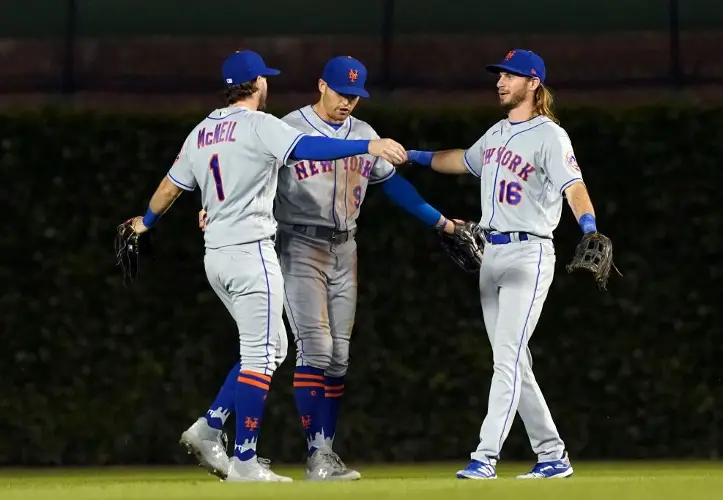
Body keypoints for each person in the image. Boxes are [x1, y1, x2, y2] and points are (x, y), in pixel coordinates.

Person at [125, 49, 406, 482]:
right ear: (257, 84)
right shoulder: (260, 125)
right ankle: (244, 460)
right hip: (252, 250)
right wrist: (368, 144)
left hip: (215, 257)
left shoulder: (202, 131)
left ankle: (209, 426)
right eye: (265, 79)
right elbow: (310, 146)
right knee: (261, 355)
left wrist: (144, 223)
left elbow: (170, 186)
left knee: (273, 348)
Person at [184, 56, 459, 481]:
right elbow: (240, 174)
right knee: (313, 348)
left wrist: (440, 221)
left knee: (338, 356)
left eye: (356, 95)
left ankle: (317, 453)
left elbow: (394, 185)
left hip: (345, 246)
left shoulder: (365, 134)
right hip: (298, 243)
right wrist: (216, 211)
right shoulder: (286, 126)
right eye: (341, 92)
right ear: (321, 86)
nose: (348, 101)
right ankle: (314, 455)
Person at [407, 49, 601, 480]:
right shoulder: (495, 134)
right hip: (490, 254)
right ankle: (553, 454)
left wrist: (588, 226)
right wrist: (414, 156)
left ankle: (485, 456)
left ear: (533, 83)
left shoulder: (551, 136)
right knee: (513, 360)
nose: (500, 81)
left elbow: (574, 186)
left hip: (528, 255)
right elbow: (460, 160)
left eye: (510, 76)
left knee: (507, 359)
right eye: (499, 75)